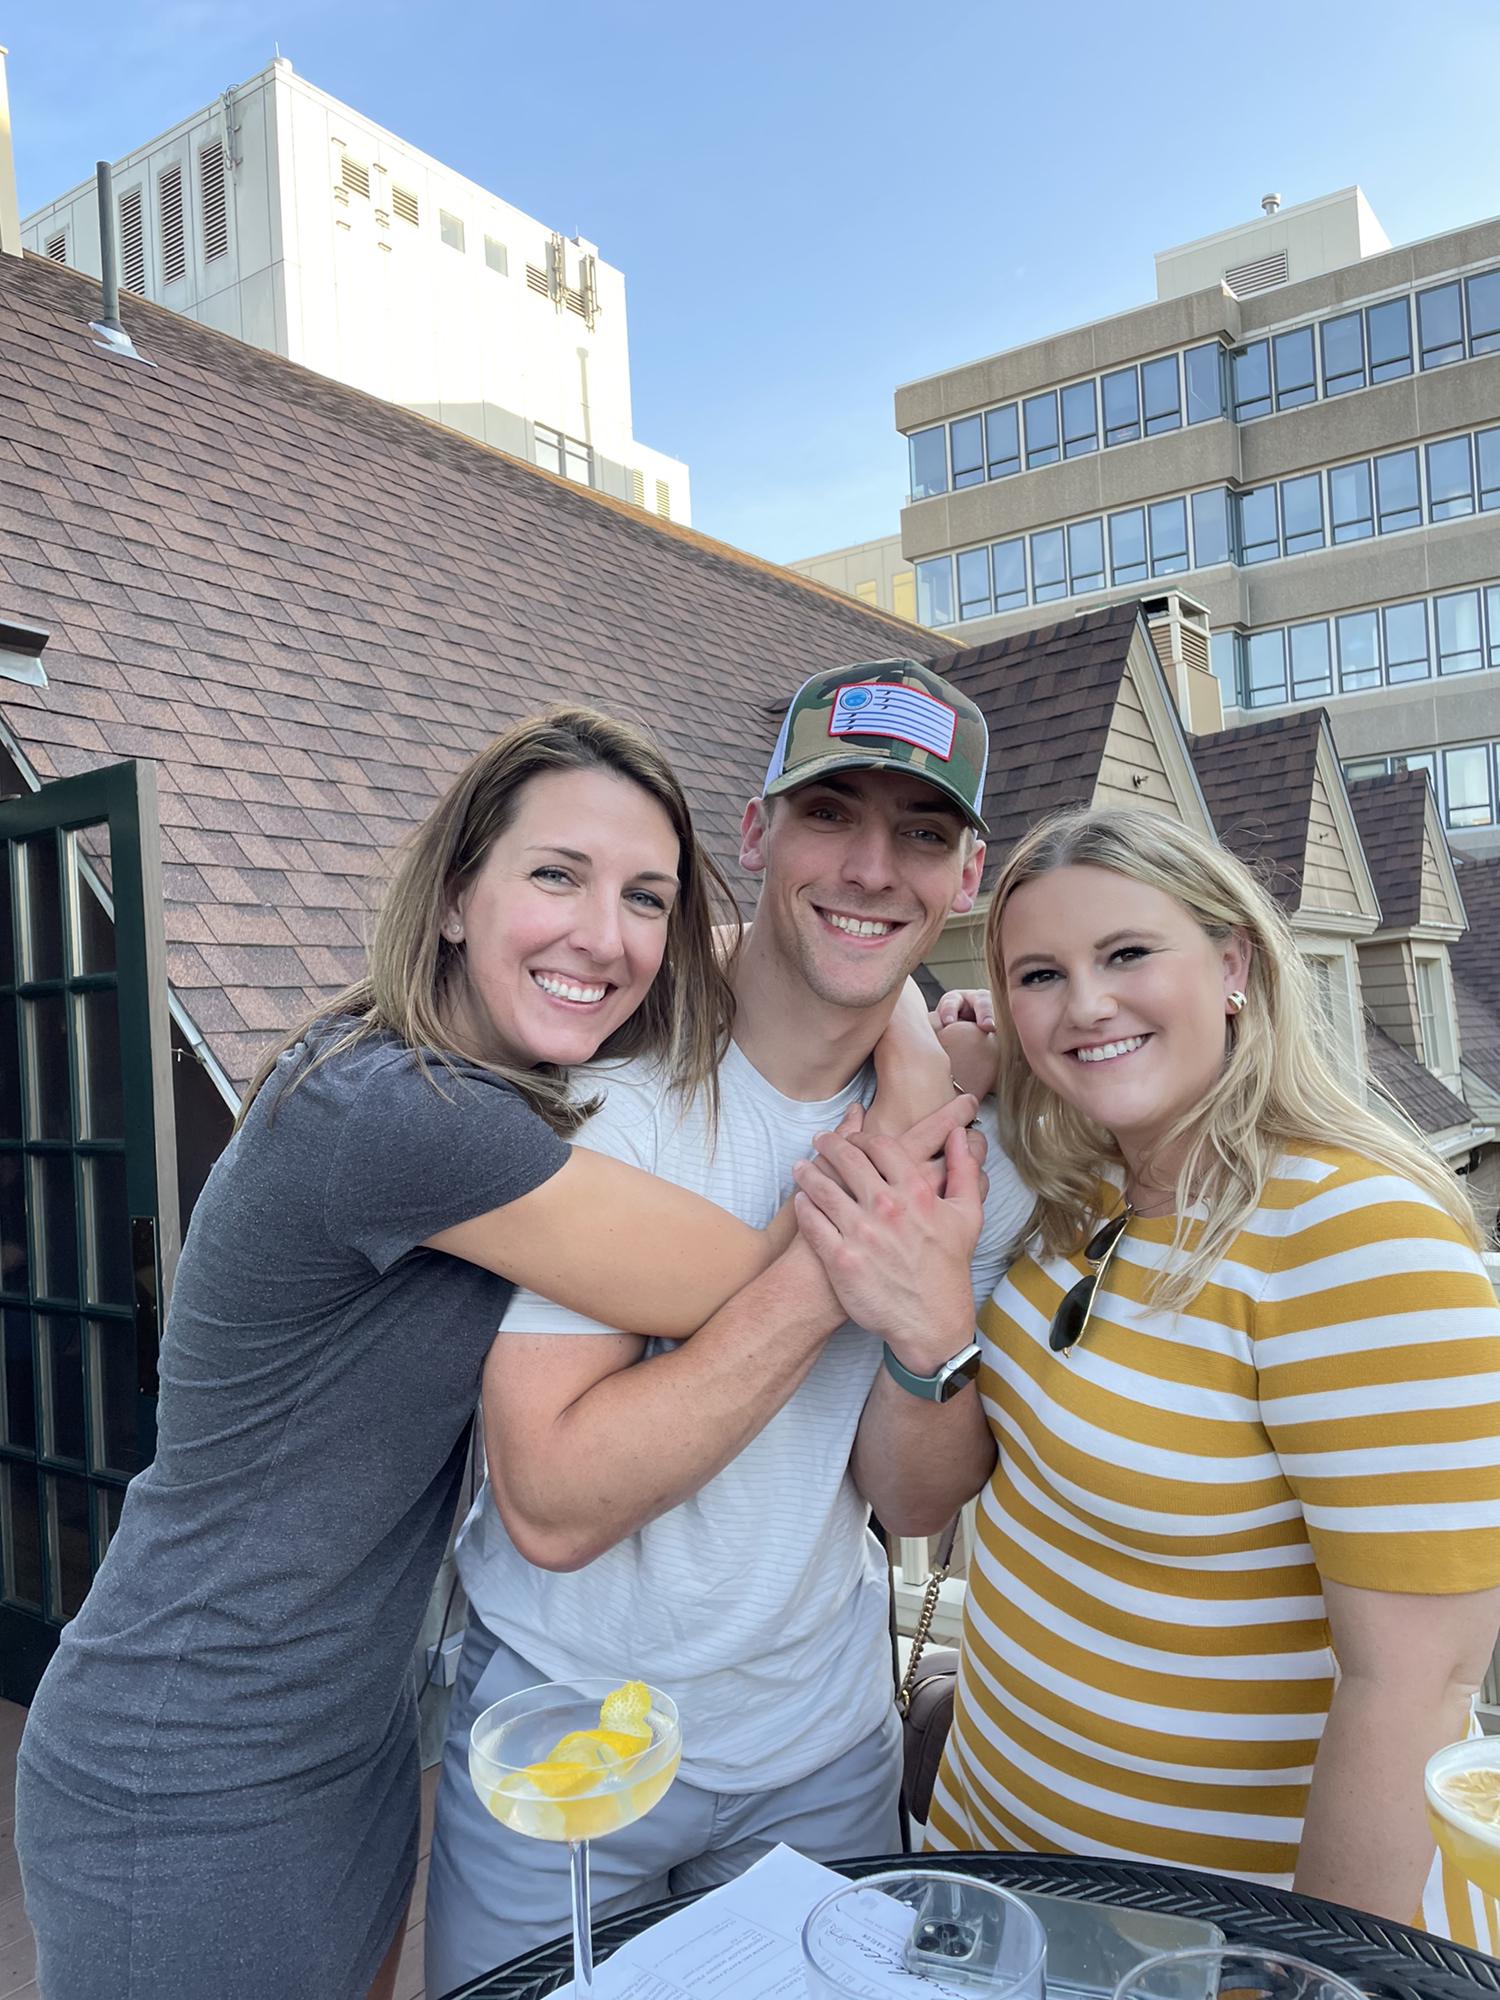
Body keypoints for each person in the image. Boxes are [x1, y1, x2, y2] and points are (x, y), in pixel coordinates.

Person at [15, 706, 975, 2000]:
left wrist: (873, 993)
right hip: (192, 1741)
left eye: (646, 897)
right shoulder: (408, 1116)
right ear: (456, 893)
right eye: (554, 876)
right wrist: (913, 1081)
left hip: (346, 1732)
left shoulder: (466, 1081)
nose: (605, 934)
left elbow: (753, 976)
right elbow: (782, 1277)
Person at [424, 659, 1034, 1992]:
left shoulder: (971, 1147)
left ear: (968, 877)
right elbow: (555, 1502)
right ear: (754, 834)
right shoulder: (604, 1093)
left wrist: (931, 1340)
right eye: (831, 813)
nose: (872, 867)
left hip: (820, 1753)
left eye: (921, 832)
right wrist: (864, 1214)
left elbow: (911, 1498)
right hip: (570, 1739)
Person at [795, 804, 1500, 1947]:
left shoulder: (1360, 1239)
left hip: (1195, 1934)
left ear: (1231, 964)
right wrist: (929, 1336)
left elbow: (1415, 1690)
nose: (1084, 1004)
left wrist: (1304, 1972)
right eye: (1038, 974)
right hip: (983, 1867)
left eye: (1126, 953)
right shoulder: (1062, 1194)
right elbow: (919, 1501)